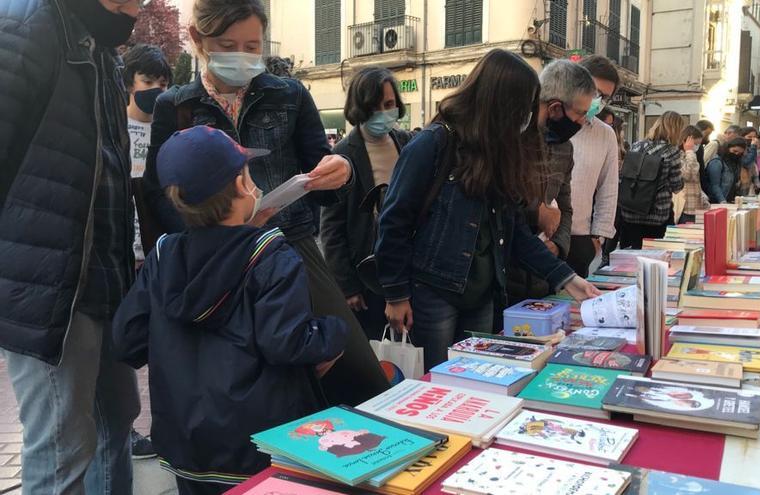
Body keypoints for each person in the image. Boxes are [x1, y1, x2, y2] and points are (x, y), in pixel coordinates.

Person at [142, 0, 389, 405]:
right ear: (198, 39)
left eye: (253, 46)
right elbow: (160, 191)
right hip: (213, 260)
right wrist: (210, 231)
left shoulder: (289, 95)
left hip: (290, 246)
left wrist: (341, 171)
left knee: (356, 376)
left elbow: (323, 177)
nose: (242, 56)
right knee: (246, 382)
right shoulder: (176, 105)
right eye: (227, 44)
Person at [114, 126, 349, 495]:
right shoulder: (270, 255)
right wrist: (334, 331)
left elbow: (126, 340)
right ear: (242, 186)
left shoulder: (163, 256)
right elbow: (286, 341)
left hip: (185, 449)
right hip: (261, 447)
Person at [375, 50, 601, 368]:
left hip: (482, 294)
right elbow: (394, 221)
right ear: (500, 104)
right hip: (435, 293)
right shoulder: (434, 143)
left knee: (474, 377)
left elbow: (514, 230)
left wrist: (566, 277)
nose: (526, 119)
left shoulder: (496, 151)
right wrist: (396, 295)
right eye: (522, 108)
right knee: (438, 382)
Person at [0, 1, 144, 493]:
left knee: (117, 419)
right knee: (62, 449)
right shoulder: (27, 24)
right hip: (50, 287)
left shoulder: (101, 48)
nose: (134, 6)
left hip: (102, 279)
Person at [320, 67, 412, 341]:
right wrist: (347, 286)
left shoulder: (406, 142)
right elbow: (331, 228)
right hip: (366, 276)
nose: (384, 112)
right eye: (375, 106)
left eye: (389, 104)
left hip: (407, 266)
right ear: (360, 107)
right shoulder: (341, 155)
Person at [506, 59, 595, 303]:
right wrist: (537, 215)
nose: (582, 122)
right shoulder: (512, 142)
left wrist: (558, 245)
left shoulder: (565, 149)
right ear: (556, 108)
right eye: (580, 114)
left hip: (544, 275)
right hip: (506, 275)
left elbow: (565, 208)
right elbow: (504, 209)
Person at [122, 43, 172, 460]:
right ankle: (123, 429)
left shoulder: (166, 132)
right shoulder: (112, 129)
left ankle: (160, 428)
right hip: (120, 255)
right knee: (123, 346)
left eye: (162, 82)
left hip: (157, 254)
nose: (156, 89)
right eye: (147, 81)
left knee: (162, 347)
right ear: (129, 83)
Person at [568, 55, 621, 277]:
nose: (597, 100)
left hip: (579, 237)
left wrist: (597, 237)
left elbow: (608, 189)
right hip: (538, 236)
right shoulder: (549, 120)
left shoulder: (605, 134)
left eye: (605, 97)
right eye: (594, 91)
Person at [617, 111, 685, 249]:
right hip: (657, 214)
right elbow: (677, 186)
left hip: (630, 211)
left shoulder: (637, 146)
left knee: (630, 258)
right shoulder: (672, 151)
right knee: (655, 258)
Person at [679, 125, 710, 223]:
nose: (696, 147)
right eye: (695, 144)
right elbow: (688, 175)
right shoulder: (679, 156)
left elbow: (696, 182)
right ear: (685, 141)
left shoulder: (691, 155)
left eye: (699, 144)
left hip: (695, 207)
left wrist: (704, 199)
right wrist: (689, 151)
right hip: (685, 208)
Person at [706, 137, 749, 204]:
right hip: (716, 201)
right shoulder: (717, 162)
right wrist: (722, 201)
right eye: (734, 151)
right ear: (728, 148)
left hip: (729, 199)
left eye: (740, 153)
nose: (736, 154)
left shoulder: (735, 163)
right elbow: (714, 185)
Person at [736, 127, 760, 196]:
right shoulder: (740, 148)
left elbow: (753, 164)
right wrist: (753, 147)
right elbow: (745, 162)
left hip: (749, 180)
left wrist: (756, 180)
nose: (752, 139)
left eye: (754, 137)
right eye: (749, 137)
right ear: (743, 137)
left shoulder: (751, 149)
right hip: (740, 181)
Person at [695, 119, 715, 196]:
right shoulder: (697, 147)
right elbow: (700, 168)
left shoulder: (699, 147)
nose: (707, 138)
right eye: (706, 134)